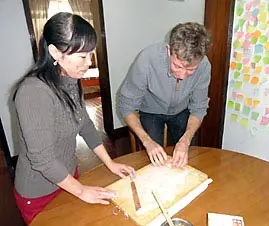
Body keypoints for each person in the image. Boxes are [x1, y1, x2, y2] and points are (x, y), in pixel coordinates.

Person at [12, 12, 135, 225]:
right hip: (39, 192)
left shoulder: (69, 79)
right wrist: (80, 191)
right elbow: (43, 159)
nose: (88, 63)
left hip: (68, 177)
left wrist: (110, 163)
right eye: (82, 56)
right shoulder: (33, 92)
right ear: (55, 52)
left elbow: (85, 125)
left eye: (90, 55)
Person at [119, 22, 212, 168]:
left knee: (185, 158)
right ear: (169, 50)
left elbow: (199, 107)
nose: (182, 75)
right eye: (177, 66)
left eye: (191, 70)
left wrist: (186, 140)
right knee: (154, 160)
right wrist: (147, 141)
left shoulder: (204, 66)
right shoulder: (147, 60)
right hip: (151, 111)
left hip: (182, 110)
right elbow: (126, 106)